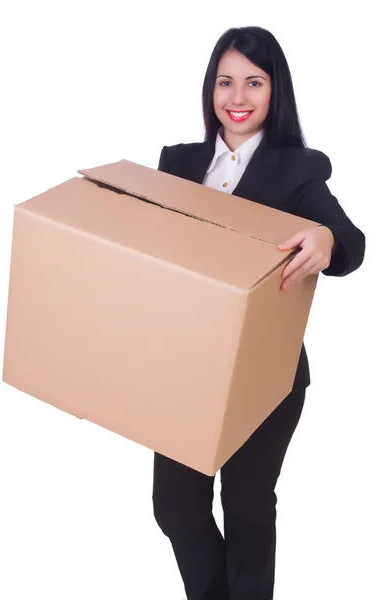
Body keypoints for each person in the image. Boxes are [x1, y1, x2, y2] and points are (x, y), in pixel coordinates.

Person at [152, 26, 366, 600]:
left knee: (246, 506)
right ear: (210, 90)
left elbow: (349, 239)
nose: (237, 96)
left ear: (276, 92)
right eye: (225, 82)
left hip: (264, 374)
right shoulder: (176, 163)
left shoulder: (295, 167)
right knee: (174, 509)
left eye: (254, 81)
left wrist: (325, 237)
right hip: (186, 367)